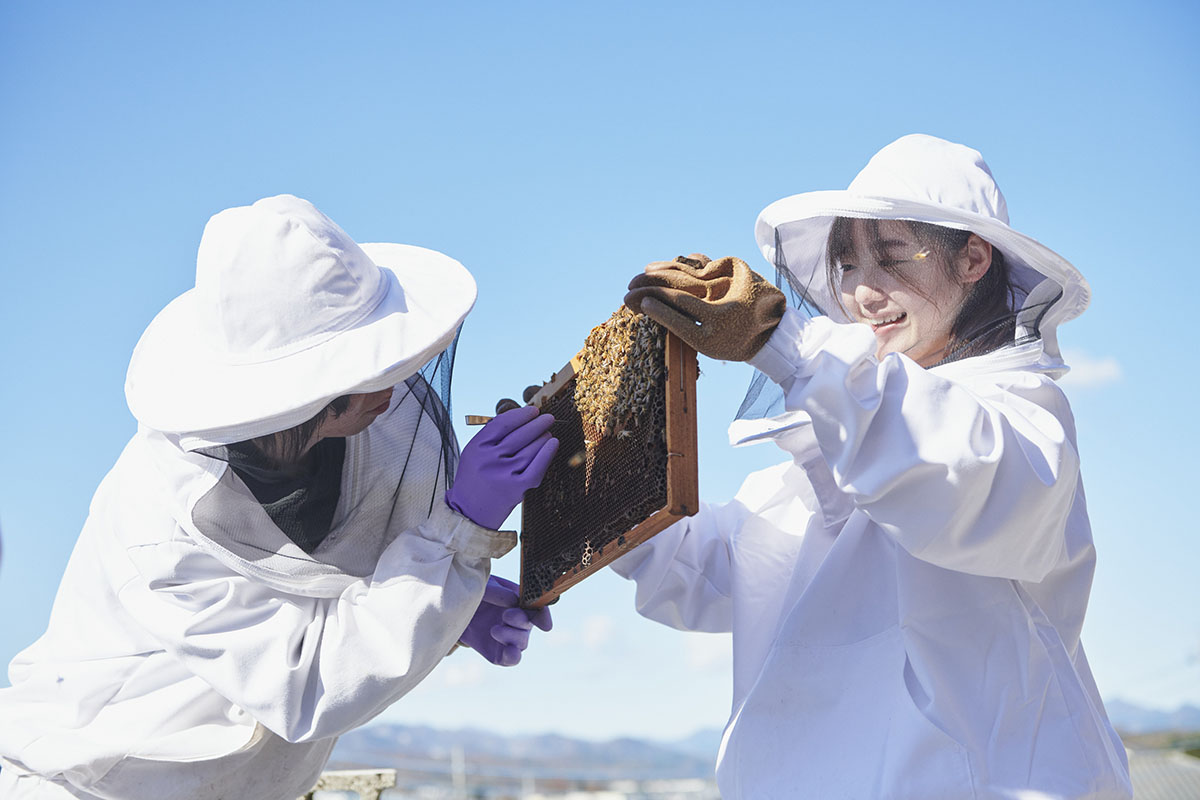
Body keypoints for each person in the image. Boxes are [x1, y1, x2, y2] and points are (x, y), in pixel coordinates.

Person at [617, 135, 1132, 798]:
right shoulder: (818, 456)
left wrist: (782, 341)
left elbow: (947, 474)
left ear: (974, 258)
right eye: (848, 266)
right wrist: (604, 471)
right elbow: (709, 577)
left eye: (891, 259)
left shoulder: (1021, 415)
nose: (863, 292)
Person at [0, 195, 557, 799]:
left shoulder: (368, 435)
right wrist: (458, 534)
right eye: (367, 368)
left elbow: (332, 596)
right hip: (97, 786)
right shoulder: (158, 518)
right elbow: (311, 683)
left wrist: (449, 611)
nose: (393, 385)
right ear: (296, 396)